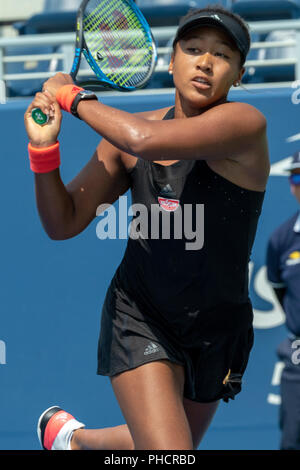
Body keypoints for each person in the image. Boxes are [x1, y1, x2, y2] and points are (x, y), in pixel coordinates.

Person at [24, 5, 270, 450]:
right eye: (193, 49)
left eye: (222, 55)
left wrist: (71, 96)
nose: (205, 62)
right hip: (141, 316)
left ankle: (74, 442)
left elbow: (143, 139)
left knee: (168, 448)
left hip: (218, 325)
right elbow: (62, 223)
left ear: (238, 75)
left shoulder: (246, 125)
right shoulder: (124, 144)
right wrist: (43, 152)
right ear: (172, 60)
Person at [266, 151, 300, 450]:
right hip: (299, 354)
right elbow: (280, 292)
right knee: (293, 438)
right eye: (297, 176)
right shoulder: (282, 239)